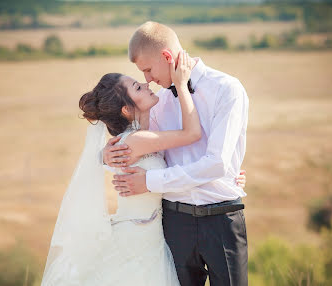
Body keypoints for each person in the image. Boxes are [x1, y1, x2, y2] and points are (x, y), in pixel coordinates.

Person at [41, 50, 246, 285]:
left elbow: (184, 156)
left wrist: (228, 174)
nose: (146, 82)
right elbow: (192, 134)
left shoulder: (146, 135)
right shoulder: (137, 140)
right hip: (138, 239)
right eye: (137, 87)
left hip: (155, 238)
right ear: (127, 110)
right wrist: (181, 84)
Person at [103, 21, 250, 286]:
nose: (147, 79)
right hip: (174, 222)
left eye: (148, 69)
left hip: (222, 219)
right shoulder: (158, 104)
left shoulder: (227, 89)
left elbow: (217, 163)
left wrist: (149, 182)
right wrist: (107, 152)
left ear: (167, 57)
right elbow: (142, 146)